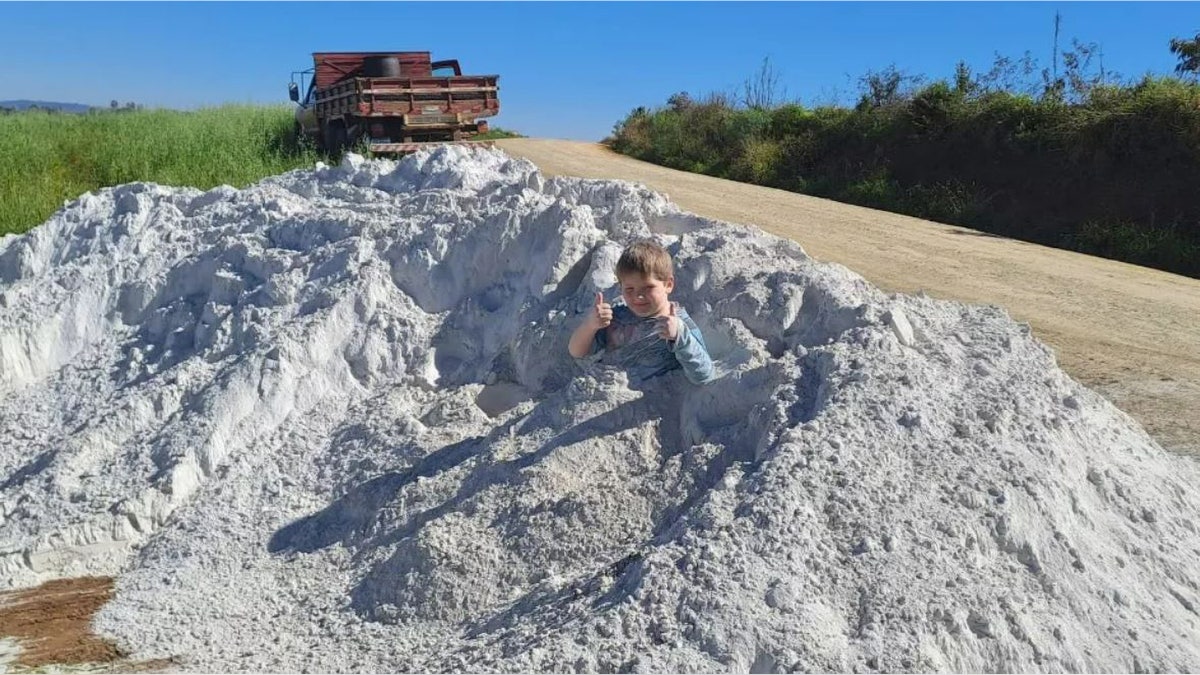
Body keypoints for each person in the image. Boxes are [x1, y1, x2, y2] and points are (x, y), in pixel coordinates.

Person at [568, 240, 715, 384]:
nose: (638, 296)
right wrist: (590, 325)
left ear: (668, 285)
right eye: (629, 289)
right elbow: (577, 352)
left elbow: (704, 375)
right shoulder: (617, 318)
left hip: (644, 402)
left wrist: (680, 336)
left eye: (648, 288)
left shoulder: (678, 324)